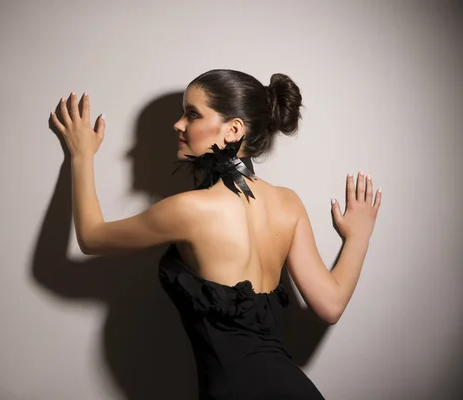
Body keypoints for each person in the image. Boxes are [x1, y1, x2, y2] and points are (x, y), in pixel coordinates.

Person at [49, 69, 382, 399]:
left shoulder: (189, 209)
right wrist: (358, 238)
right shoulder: (288, 203)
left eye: (192, 114)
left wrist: (82, 156)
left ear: (234, 129)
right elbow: (331, 304)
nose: (178, 125)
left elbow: (92, 237)